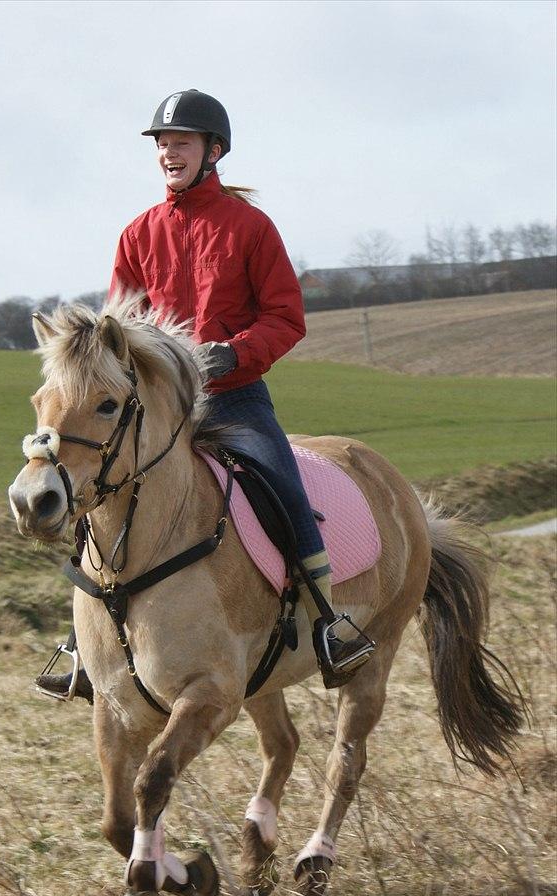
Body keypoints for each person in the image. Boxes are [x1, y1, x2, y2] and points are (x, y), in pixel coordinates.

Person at [37, 89, 373, 701]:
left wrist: (235, 353)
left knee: (284, 487)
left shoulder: (251, 227)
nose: (169, 153)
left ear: (213, 151)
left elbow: (285, 316)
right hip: (159, 409)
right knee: (97, 489)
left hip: (235, 398)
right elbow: (119, 327)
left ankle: (332, 623)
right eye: (162, 144)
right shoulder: (138, 233)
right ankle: (82, 647)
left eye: (181, 143)